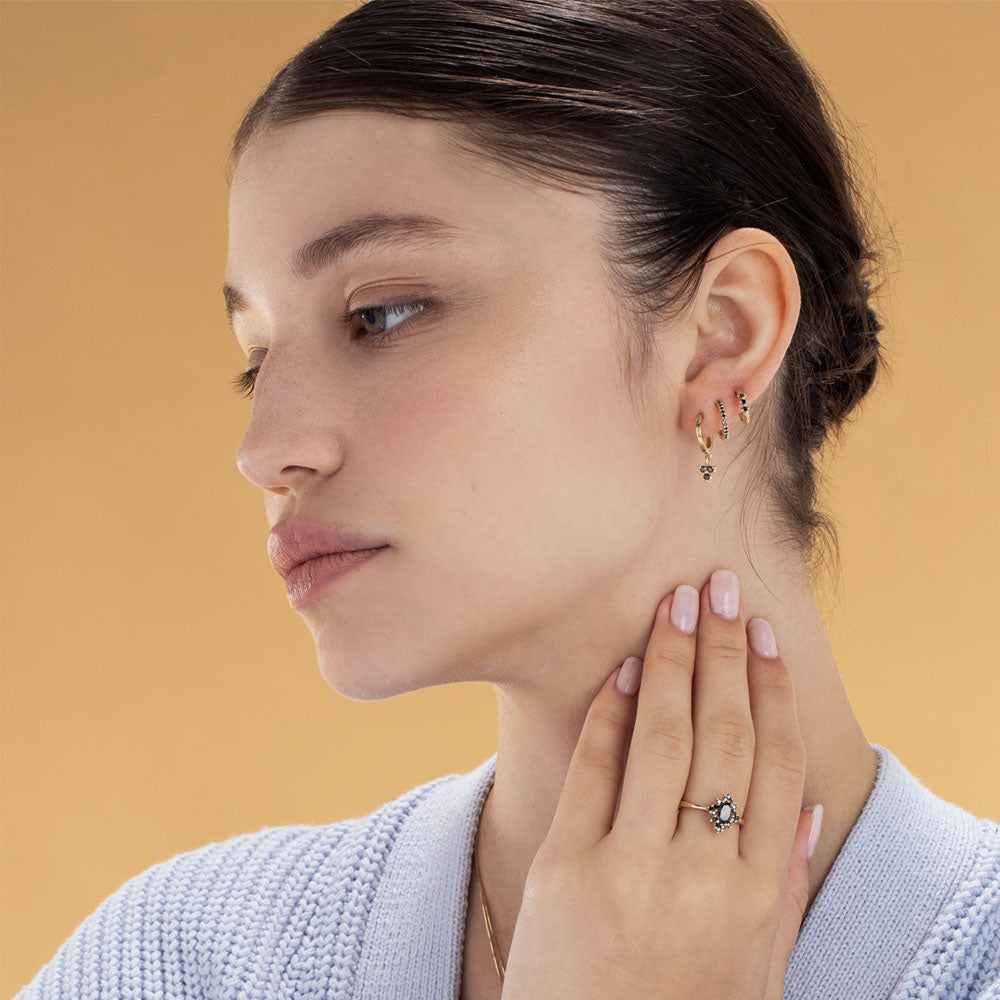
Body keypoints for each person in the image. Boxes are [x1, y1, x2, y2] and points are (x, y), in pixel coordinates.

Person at [14, 2, 999, 998]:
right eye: (257, 359)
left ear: (722, 333)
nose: (266, 449)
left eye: (382, 313)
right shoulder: (180, 963)